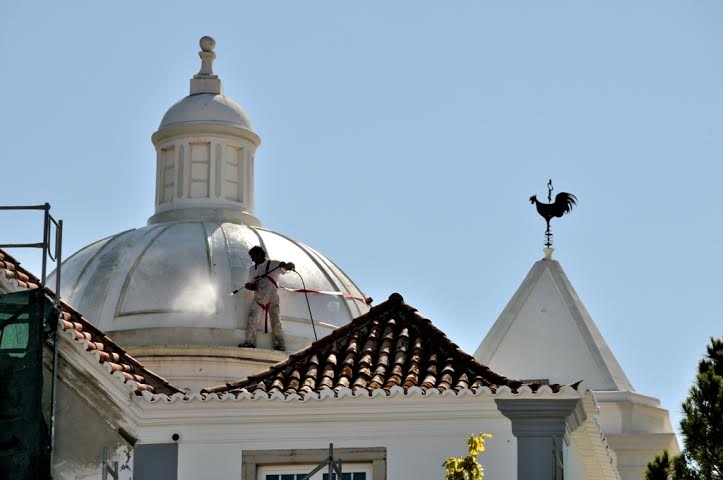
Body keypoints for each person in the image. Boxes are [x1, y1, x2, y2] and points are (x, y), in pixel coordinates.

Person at [238, 246, 294, 351]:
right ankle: (249, 342)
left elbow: (285, 268)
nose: (252, 259)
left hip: (272, 299)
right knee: (252, 318)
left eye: (253, 256)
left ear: (260, 254)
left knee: (276, 320)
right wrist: (250, 286)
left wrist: (289, 265)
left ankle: (279, 345)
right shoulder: (252, 269)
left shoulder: (274, 264)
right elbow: (252, 284)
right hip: (258, 298)